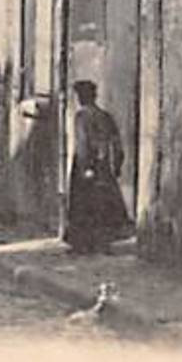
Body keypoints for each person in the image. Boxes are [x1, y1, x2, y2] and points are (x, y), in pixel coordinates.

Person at [61, 80, 132, 254]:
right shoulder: (105, 116)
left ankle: (83, 245)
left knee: (83, 205)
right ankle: (102, 243)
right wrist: (116, 164)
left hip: (87, 166)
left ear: (82, 97)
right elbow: (117, 143)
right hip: (103, 167)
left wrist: (86, 167)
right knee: (103, 205)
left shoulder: (82, 117)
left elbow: (83, 143)